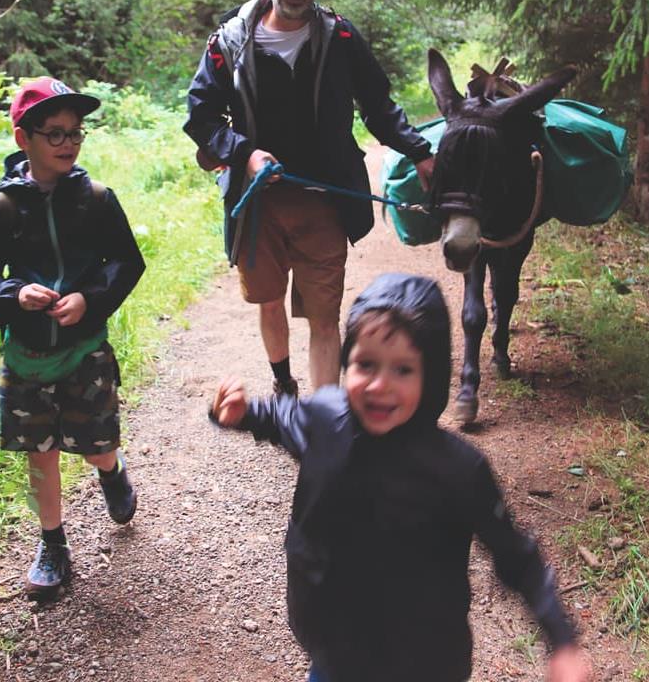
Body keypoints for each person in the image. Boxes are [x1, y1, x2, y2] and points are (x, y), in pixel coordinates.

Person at [209, 273, 590, 682]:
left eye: (403, 369)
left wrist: (561, 639)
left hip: (425, 662)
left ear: (430, 377)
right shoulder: (325, 421)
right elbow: (283, 416)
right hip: (335, 653)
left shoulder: (458, 469)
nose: (379, 385)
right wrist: (243, 414)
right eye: (366, 364)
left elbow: (517, 558)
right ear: (346, 362)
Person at [185, 0, 435, 397]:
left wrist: (419, 151)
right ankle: (283, 383)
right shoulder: (230, 41)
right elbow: (201, 117)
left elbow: (378, 105)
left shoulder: (340, 38)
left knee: (324, 316)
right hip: (257, 201)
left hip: (325, 202)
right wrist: (244, 153)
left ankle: (324, 417)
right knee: (268, 299)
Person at [0, 77, 146, 600]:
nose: (67, 143)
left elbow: (128, 262)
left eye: (75, 134)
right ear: (24, 139)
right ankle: (53, 545)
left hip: (86, 350)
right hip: (26, 355)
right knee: (40, 452)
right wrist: (15, 296)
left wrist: (89, 299)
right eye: (54, 133)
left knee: (96, 444)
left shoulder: (98, 201)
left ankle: (112, 471)